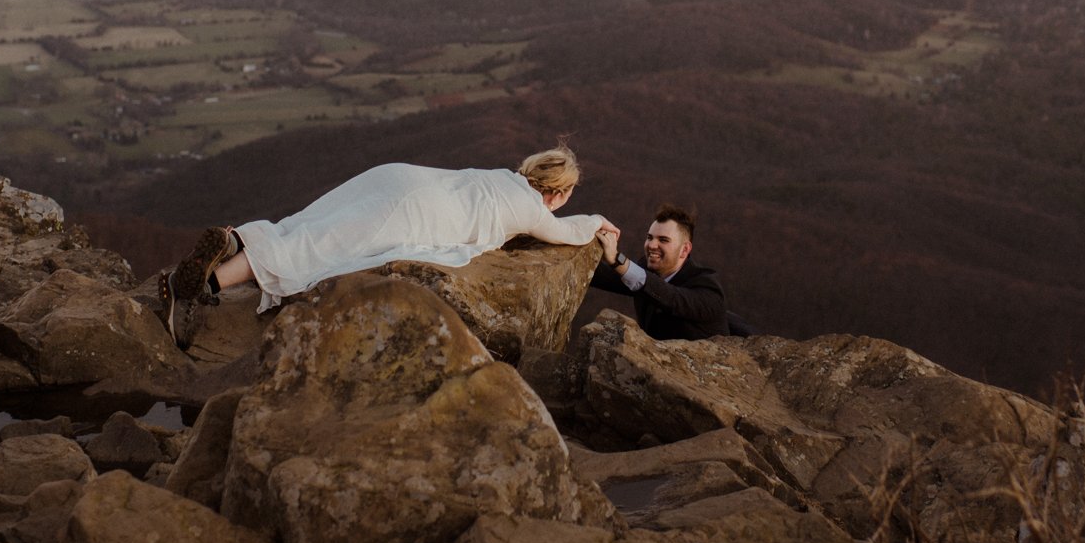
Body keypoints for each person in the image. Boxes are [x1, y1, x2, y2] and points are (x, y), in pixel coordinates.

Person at [159, 146, 609, 326]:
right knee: (318, 249)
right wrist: (598, 223)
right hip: (416, 213)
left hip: (396, 178)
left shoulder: (502, 178)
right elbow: (567, 232)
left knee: (311, 225)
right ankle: (205, 285)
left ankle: (234, 244)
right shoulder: (532, 208)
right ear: (560, 191)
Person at [590, 203, 732, 341]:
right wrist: (585, 227)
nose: (652, 245)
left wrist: (617, 259)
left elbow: (671, 297)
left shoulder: (708, 290)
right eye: (649, 237)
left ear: (685, 249)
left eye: (663, 240)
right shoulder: (647, 269)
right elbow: (601, 275)